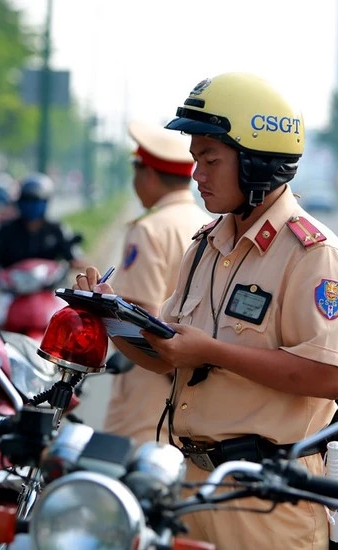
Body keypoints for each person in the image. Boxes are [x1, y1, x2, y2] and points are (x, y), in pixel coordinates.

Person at [76, 72, 338, 549]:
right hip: (191, 485)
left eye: (210, 160)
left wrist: (215, 351)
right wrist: (108, 316)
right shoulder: (207, 245)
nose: (197, 175)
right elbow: (171, 355)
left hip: (265, 501)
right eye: (195, 160)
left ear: (255, 162)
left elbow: (329, 376)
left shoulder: (313, 254)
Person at [102, 120, 211, 447]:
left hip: (148, 399)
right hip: (194, 400)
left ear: (147, 174)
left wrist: (100, 307)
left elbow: (140, 318)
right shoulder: (208, 225)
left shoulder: (149, 230)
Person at [0, 172, 84, 274]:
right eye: (27, 200)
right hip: (12, 286)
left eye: (36, 201)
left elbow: (71, 254)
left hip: (48, 285)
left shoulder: (56, 229)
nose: (31, 206)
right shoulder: (6, 230)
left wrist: (75, 262)